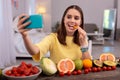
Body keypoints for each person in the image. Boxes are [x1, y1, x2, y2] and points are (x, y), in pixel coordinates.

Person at [17, 5, 91, 64]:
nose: (72, 21)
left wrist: (84, 45)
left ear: (80, 22)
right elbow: (34, 51)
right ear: (64, 20)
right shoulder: (52, 38)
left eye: (76, 18)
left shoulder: (83, 38)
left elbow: (88, 63)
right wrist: (25, 36)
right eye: (69, 17)